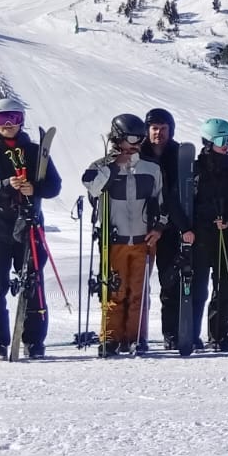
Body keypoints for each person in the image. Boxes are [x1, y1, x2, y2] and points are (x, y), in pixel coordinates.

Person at [0, 99, 63, 358]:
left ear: (22, 120)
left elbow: (54, 186)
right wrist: (6, 185)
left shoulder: (35, 152)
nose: (9, 124)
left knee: (33, 284)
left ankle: (34, 340)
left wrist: (35, 188)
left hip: (28, 226)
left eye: (14, 118)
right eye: (2, 119)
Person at [81, 113, 165, 356]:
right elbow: (94, 188)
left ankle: (136, 337)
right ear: (118, 138)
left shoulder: (151, 168)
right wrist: (115, 166)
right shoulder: (99, 167)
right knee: (113, 290)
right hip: (114, 240)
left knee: (139, 291)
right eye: (132, 139)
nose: (136, 144)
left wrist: (158, 228)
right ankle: (110, 338)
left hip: (142, 239)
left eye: (140, 139)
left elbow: (161, 202)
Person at [188, 118, 228, 350]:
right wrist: (196, 224)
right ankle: (191, 334)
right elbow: (189, 201)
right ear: (209, 142)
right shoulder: (196, 169)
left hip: (225, 235)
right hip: (202, 236)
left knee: (223, 287)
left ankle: (219, 335)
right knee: (199, 287)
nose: (227, 145)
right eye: (222, 140)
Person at [140, 107, 192, 349]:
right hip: (140, 226)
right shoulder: (137, 152)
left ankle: (171, 333)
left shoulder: (178, 155)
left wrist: (179, 226)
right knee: (136, 283)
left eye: (163, 128)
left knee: (170, 282)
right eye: (154, 128)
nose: (158, 133)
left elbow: (177, 196)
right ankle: (134, 334)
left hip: (170, 228)